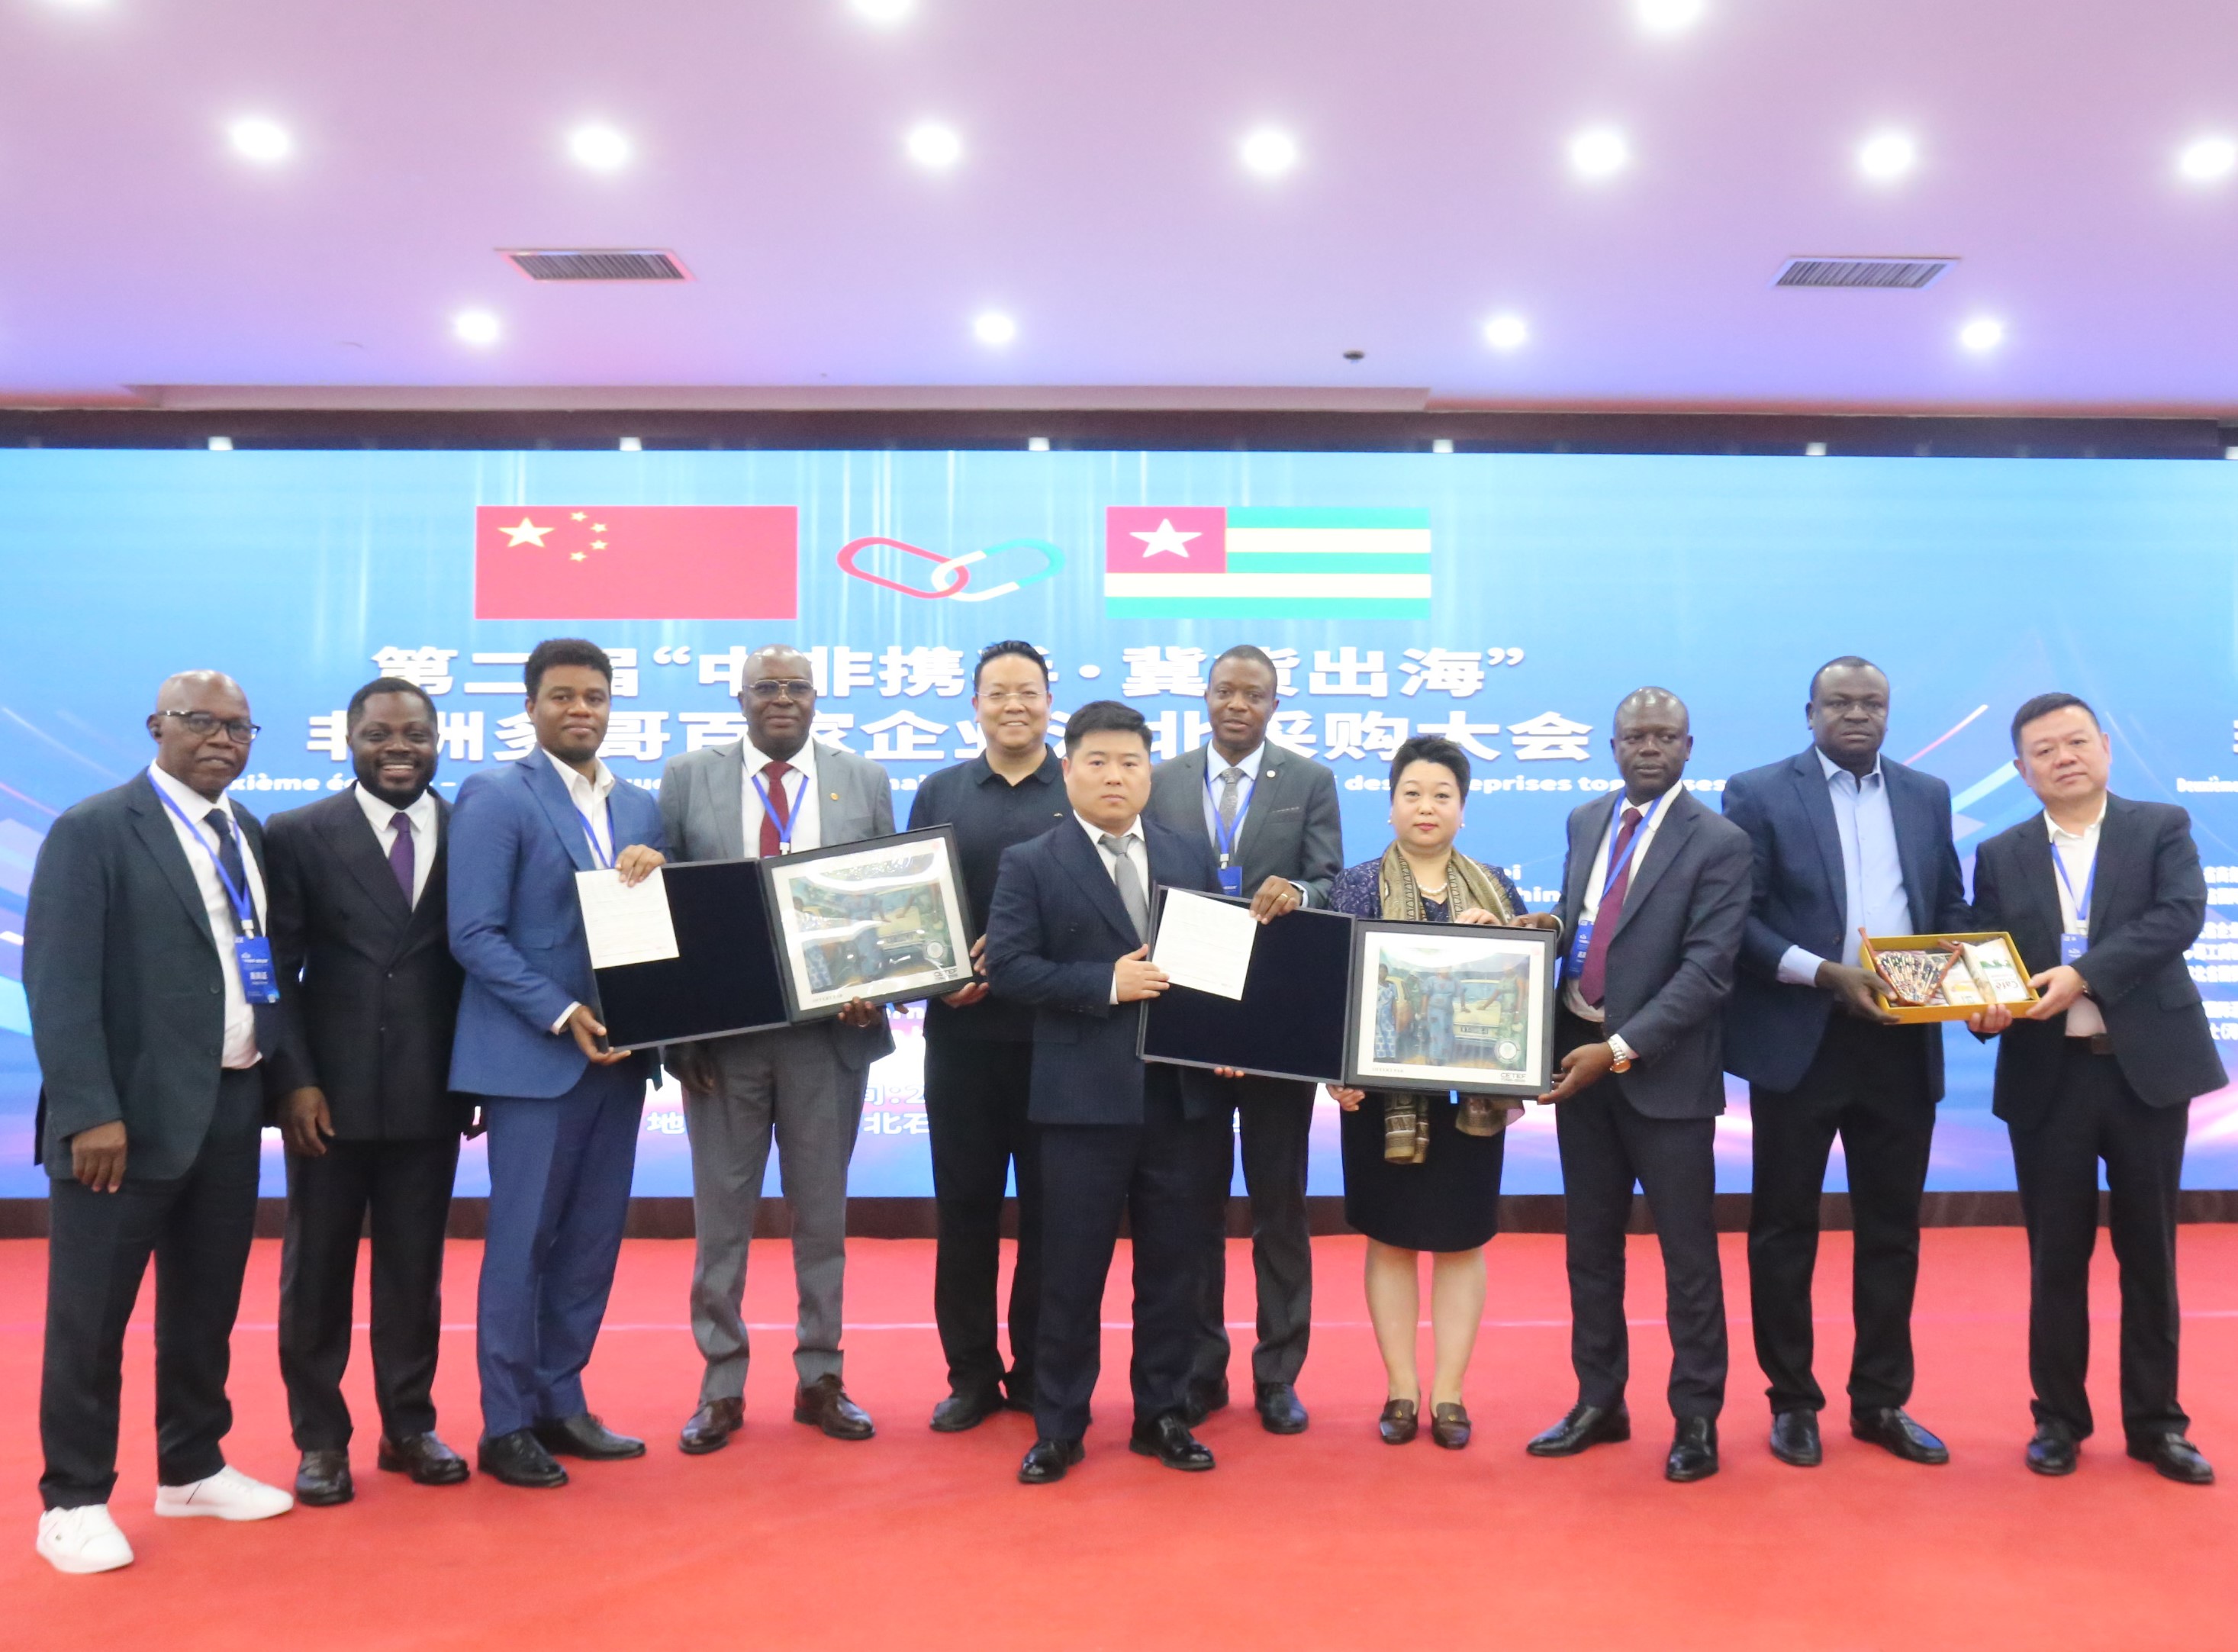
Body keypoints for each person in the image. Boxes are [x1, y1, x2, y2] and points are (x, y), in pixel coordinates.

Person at [24, 671, 299, 1574]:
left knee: (203, 1305)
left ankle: (191, 1465)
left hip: (229, 1103)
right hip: (122, 1122)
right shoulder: (96, 828)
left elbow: (257, 964)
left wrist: (282, 1077)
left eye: (239, 726)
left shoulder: (244, 831)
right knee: (90, 1319)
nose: (222, 738)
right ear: (156, 726)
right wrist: (88, 1110)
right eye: (200, 721)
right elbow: (57, 980)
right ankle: (72, 1499)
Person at [1721, 656, 1972, 1470]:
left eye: (1871, 702)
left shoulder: (1926, 794)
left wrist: (1973, 980)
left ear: (1888, 713)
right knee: (1783, 1228)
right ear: (1810, 712)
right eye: (1839, 702)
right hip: (1800, 1038)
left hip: (1899, 1040)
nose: (1856, 713)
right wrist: (1825, 973)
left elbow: (1947, 906)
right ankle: (1792, 1400)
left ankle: (1880, 1400)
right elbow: (1740, 919)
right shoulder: (1758, 791)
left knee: (1892, 1229)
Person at [1966, 694, 2221, 1483]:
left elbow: (2177, 916)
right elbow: (1987, 952)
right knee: (2055, 1257)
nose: (2063, 757)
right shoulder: (2000, 851)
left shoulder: (2160, 827)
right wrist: (1979, 1008)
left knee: (2149, 1254)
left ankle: (2156, 1424)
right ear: (2021, 770)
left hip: (2146, 1071)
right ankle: (2057, 1420)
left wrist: (2082, 973)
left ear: (2105, 747)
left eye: (2075, 741)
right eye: (2043, 750)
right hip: (2049, 1079)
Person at [984, 700, 1231, 1484]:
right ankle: (1059, 1424)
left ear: (1149, 772)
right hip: (1079, 1102)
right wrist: (1105, 982)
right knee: (1070, 1269)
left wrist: (1235, 1041)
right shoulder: (1032, 860)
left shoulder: (1187, 853)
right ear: (1068, 770)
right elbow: (1008, 967)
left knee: (1173, 1268)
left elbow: (1216, 966)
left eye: (1130, 761)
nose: (1114, 775)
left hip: (1180, 1099)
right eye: (1097, 761)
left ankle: (1162, 1413)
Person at [659, 643, 892, 1452]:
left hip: (828, 1035)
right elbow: (665, 909)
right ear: (741, 698)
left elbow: (889, 895)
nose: (782, 698)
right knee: (720, 1220)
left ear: (817, 696)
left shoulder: (863, 778)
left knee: (821, 1216)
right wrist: (679, 1029)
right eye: (766, 686)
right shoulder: (688, 777)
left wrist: (879, 984)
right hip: (722, 1043)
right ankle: (721, 1383)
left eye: (796, 686)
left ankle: (820, 1374)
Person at [448, 638, 667, 1489]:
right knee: (522, 1243)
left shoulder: (639, 806)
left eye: (595, 696)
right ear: (531, 705)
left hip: (619, 1060)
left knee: (589, 1242)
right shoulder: (497, 794)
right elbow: (474, 933)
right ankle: (505, 1422)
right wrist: (561, 1010)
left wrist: (662, 873)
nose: (581, 709)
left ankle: (560, 1399)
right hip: (533, 1059)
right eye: (563, 696)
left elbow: (655, 923)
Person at [1526, 688, 1751, 1482]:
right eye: (1634, 736)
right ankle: (1599, 1400)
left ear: (1688, 747)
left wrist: (1618, 1049)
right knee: (1589, 1248)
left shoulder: (1720, 841)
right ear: (1612, 746)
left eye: (1663, 736)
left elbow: (1706, 972)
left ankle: (1695, 1417)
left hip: (1665, 1078)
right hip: (1576, 1062)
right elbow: (1585, 917)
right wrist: (1546, 930)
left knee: (1687, 1258)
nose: (1648, 747)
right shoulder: (1586, 819)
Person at [263, 676, 472, 1506]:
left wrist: (476, 1077)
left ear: (438, 741)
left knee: (414, 1275)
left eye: (415, 734)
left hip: (431, 1090)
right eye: (379, 733)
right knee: (316, 1274)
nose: (398, 748)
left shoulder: (470, 829)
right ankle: (320, 1438)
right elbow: (276, 969)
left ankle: (408, 1425)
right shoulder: (297, 832)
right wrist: (295, 1080)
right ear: (348, 740)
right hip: (329, 1098)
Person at [1325, 735, 1557, 1451]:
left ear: (1462, 809)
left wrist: (1496, 940)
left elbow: (1526, 989)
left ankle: (1450, 1393)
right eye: (1412, 793)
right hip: (1380, 1100)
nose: (1425, 807)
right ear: (1390, 804)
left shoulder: (1495, 887)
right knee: (1390, 1239)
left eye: (1441, 795)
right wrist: (1333, 1071)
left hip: (1468, 1102)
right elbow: (1330, 990)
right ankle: (1400, 1388)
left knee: (1460, 1241)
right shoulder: (1355, 885)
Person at [1146, 642, 1342, 1435]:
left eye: (1253, 693)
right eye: (1225, 690)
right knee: (1191, 1210)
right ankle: (1200, 1369)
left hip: (1275, 1029)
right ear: (1203, 696)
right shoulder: (1161, 780)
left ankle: (1278, 1373)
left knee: (1278, 1208)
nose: (1237, 704)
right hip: (1188, 1023)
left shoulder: (1308, 780)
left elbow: (1331, 882)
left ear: (1274, 703)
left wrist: (1299, 890)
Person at [906, 641, 1072, 1431]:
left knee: (1050, 1215)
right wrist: (935, 971)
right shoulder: (940, 790)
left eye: (1028, 691)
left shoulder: (1076, 788)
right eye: (998, 692)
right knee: (965, 1210)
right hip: (962, 1039)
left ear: (1048, 702)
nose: (1014, 704)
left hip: (1055, 1039)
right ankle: (970, 1373)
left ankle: (1037, 1369)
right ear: (974, 703)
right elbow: (907, 905)